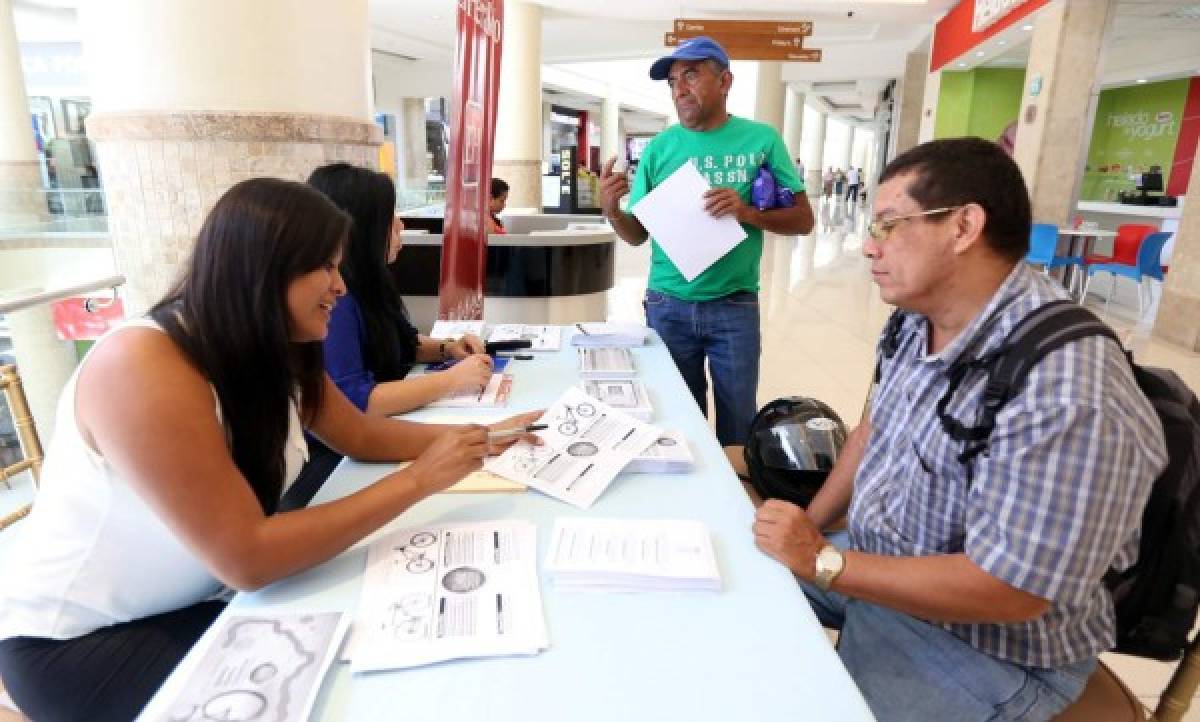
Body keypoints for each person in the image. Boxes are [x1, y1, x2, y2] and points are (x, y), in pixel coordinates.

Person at [0, 178, 538, 722]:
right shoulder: (143, 366)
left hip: (203, 598)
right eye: (326, 268)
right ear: (265, 269)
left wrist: (479, 438)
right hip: (85, 646)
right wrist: (420, 479)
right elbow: (248, 557)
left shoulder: (276, 342)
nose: (341, 287)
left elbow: (362, 435)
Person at [751, 138, 1166, 721]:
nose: (869, 245)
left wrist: (823, 561)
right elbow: (874, 429)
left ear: (964, 225)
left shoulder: (1068, 388)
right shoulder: (912, 322)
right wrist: (808, 530)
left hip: (990, 646)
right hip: (881, 566)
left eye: (890, 224)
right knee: (734, 582)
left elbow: (1011, 591)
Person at [597, 36, 813, 447]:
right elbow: (638, 235)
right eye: (674, 80)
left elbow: (803, 220)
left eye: (692, 75)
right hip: (667, 305)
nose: (680, 88)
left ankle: (738, 505)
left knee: (738, 423)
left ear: (725, 80)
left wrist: (748, 212)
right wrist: (612, 210)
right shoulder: (660, 149)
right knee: (681, 420)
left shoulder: (761, 140)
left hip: (734, 304)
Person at [308, 163, 492, 419]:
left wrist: (448, 349)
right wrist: (451, 380)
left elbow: (400, 344)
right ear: (362, 228)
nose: (400, 224)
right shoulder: (337, 301)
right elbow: (353, 400)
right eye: (389, 216)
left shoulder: (370, 281)